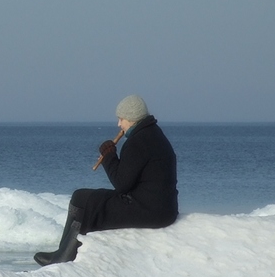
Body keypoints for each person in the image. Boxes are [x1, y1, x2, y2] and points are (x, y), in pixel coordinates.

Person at [34, 95, 179, 266]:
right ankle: (64, 251)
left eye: (121, 119)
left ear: (132, 119)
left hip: (149, 211)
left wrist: (109, 156)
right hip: (163, 209)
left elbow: (121, 184)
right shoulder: (154, 134)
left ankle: (64, 256)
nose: (119, 124)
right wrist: (112, 157)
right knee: (85, 197)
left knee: (83, 200)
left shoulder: (138, 142)